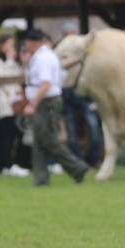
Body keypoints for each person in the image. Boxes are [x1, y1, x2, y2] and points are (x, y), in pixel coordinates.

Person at [21, 29, 89, 186]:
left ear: (33, 42)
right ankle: (41, 178)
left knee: (49, 140)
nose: (26, 45)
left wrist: (33, 103)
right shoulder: (42, 56)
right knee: (39, 141)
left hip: (46, 102)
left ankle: (77, 167)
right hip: (45, 101)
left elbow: (46, 83)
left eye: (27, 42)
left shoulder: (43, 58)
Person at [58, 21, 103, 165]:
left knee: (80, 127)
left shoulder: (67, 46)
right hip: (76, 90)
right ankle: (89, 159)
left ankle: (86, 159)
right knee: (88, 126)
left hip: (75, 90)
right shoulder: (71, 45)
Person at [0, 34, 28, 176]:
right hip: (5, 102)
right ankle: (5, 165)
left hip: (17, 101)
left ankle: (16, 163)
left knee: (18, 134)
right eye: (9, 44)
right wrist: (10, 59)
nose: (12, 48)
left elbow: (19, 75)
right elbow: (3, 77)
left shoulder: (12, 61)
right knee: (6, 135)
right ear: (2, 45)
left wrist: (22, 62)